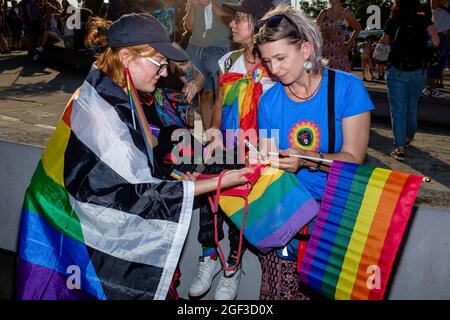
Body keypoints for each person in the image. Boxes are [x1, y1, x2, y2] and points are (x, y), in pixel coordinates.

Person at [16, 13, 252, 300]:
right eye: (159, 63)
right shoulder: (103, 112)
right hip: (68, 227)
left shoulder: (117, 92)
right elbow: (134, 194)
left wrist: (175, 176)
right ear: (126, 56)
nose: (164, 73)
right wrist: (222, 181)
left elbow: (137, 165)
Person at [254, 5, 374, 300]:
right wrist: (259, 160)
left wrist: (308, 160)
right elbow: (269, 164)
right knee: (279, 295)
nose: (274, 69)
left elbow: (354, 158)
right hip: (285, 215)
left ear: (306, 49)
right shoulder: (269, 102)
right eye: (268, 61)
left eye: (281, 58)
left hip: (335, 214)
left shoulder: (346, 88)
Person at [188, 0, 275, 301]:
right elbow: (218, 109)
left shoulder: (274, 66)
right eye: (234, 18)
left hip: (257, 150)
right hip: (226, 143)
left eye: (240, 19)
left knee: (241, 205)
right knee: (204, 187)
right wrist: (212, 136)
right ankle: (209, 255)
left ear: (260, 25)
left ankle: (233, 267)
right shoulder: (227, 61)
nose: (233, 24)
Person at [381, 0, 440, 161]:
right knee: (412, 107)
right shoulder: (424, 19)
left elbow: (384, 41)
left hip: (396, 71)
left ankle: (399, 147)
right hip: (418, 71)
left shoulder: (394, 20)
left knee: (398, 110)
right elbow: (435, 41)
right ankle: (408, 137)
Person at [183, 0, 238, 130]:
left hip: (219, 48)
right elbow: (188, 26)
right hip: (195, 47)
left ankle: (222, 136)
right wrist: (193, 7)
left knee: (222, 96)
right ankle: (209, 138)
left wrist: (211, 4)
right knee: (204, 94)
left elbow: (232, 23)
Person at [316, 0, 361, 72]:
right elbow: (314, 32)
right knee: (325, 79)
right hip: (325, 54)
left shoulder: (346, 14)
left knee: (340, 80)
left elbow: (358, 28)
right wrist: (323, 33)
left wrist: (349, 44)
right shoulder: (323, 13)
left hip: (340, 52)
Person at [423, 0, 450, 98]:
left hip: (446, 31)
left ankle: (431, 87)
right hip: (439, 31)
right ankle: (428, 87)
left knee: (443, 60)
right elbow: (433, 4)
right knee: (437, 59)